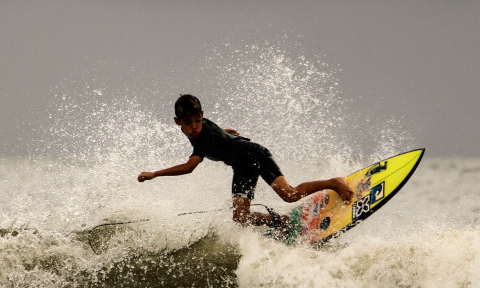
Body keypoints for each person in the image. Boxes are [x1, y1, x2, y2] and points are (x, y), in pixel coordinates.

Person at [137, 94, 353, 228]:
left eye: (198, 120)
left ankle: (334, 182)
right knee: (241, 217)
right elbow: (213, 130)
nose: (194, 126)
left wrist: (156, 173)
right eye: (188, 123)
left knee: (289, 194)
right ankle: (281, 222)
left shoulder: (202, 136)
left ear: (202, 115)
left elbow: (190, 166)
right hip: (241, 164)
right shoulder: (198, 130)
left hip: (254, 154)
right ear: (178, 122)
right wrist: (226, 133)